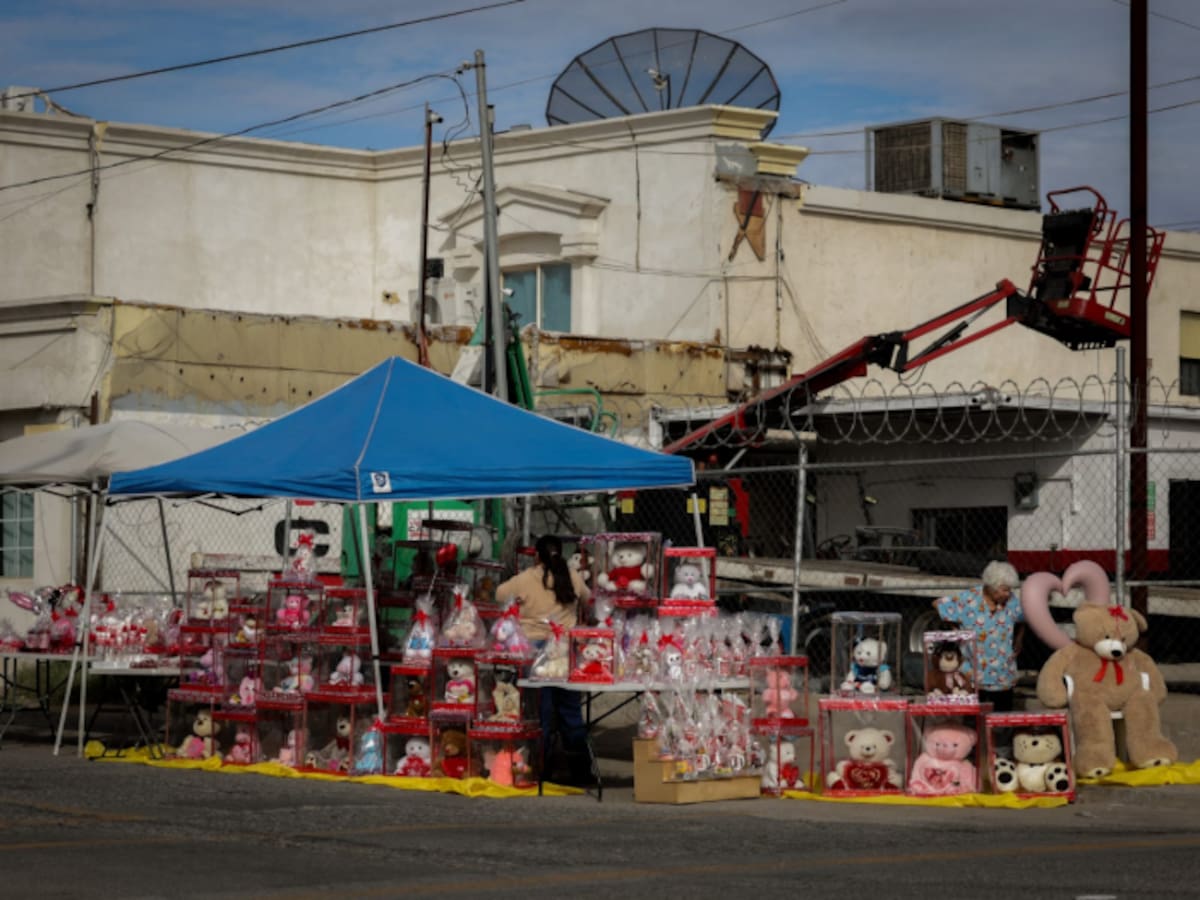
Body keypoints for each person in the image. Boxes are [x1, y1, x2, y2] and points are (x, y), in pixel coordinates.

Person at [495, 534, 592, 785]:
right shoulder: (571, 576)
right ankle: (581, 772)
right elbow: (588, 598)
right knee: (571, 710)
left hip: (534, 649)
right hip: (565, 649)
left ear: (536, 556)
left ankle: (541, 769)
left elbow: (499, 594)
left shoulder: (525, 579)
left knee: (541, 711)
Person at [933, 560, 1024, 712]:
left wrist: (1019, 639)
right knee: (974, 716)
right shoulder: (969, 599)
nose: (1008, 594)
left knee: (1002, 716)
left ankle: (1000, 735)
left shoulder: (1012, 601)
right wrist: (956, 630)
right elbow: (938, 604)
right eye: (1004, 590)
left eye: (1009, 590)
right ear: (991, 587)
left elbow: (1023, 618)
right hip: (975, 670)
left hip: (1003, 671)